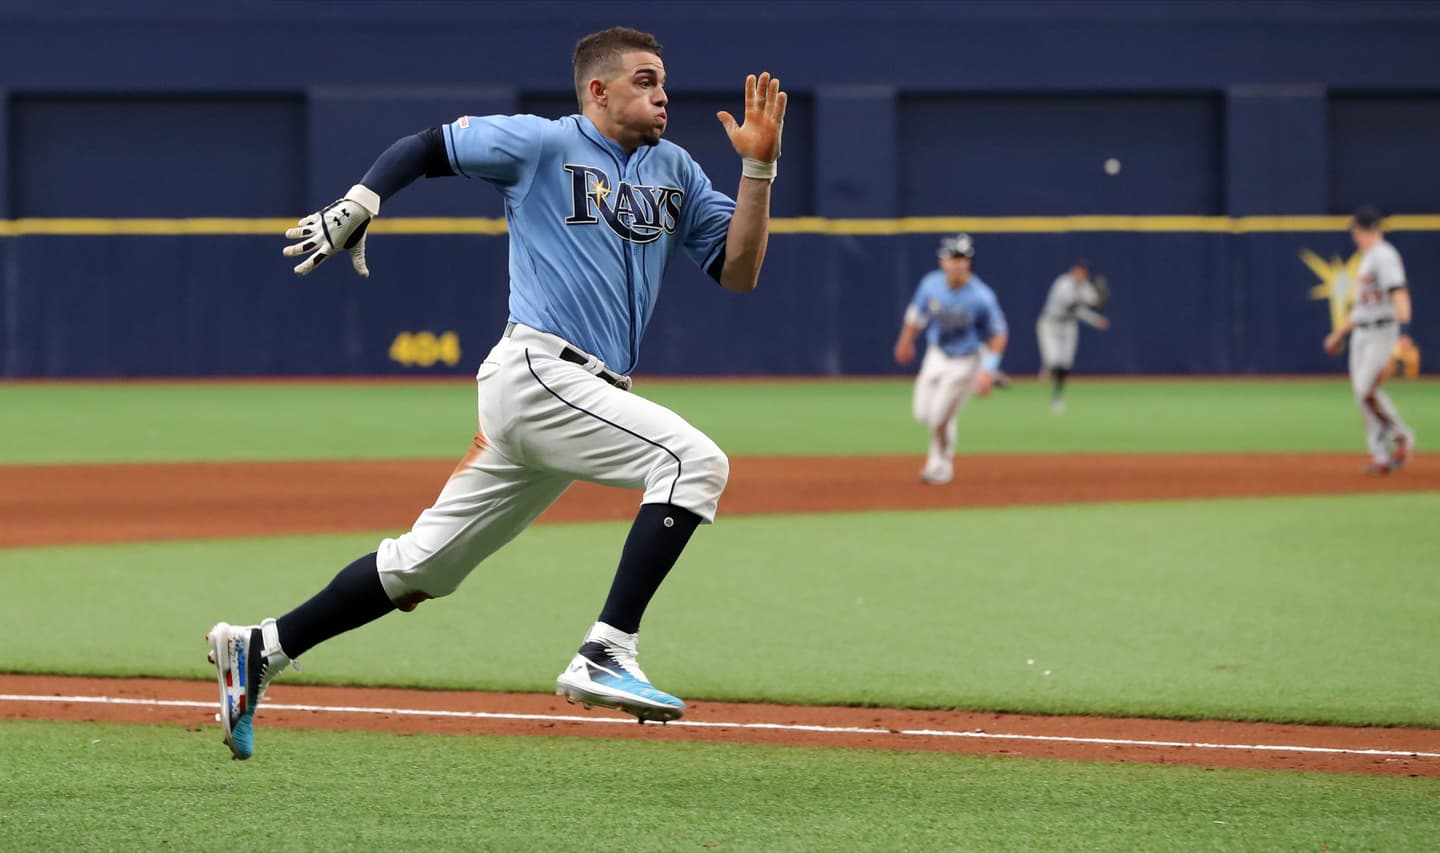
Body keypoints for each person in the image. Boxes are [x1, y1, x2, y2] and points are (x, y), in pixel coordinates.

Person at [204, 26, 788, 760]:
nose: (662, 93)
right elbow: (429, 144)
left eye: (663, 81)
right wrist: (363, 199)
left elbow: (739, 269)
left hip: (578, 394)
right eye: (644, 80)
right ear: (597, 91)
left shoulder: (675, 169)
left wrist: (759, 170)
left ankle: (260, 647)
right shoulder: (541, 144)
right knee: (693, 461)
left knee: (422, 567)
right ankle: (607, 648)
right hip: (542, 371)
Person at [892, 233, 1008, 485]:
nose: (957, 263)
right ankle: (946, 421)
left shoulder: (981, 296)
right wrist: (905, 341)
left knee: (938, 418)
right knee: (923, 414)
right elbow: (915, 315)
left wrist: (988, 370)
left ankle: (940, 465)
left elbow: (999, 334)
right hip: (935, 355)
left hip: (966, 361)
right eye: (952, 257)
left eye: (962, 258)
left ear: (969, 262)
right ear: (942, 261)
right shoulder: (930, 285)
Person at [1324, 205, 1417, 474]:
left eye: (1355, 230)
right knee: (1361, 395)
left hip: (1381, 332)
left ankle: (1402, 436)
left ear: (1361, 230)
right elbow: (1362, 307)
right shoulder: (1366, 258)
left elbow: (1400, 295)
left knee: (1366, 391)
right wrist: (1339, 333)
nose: (1354, 235)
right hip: (1362, 332)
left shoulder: (1384, 256)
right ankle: (1380, 456)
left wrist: (1405, 335)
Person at [1036, 259, 1109, 414]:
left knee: (1065, 363)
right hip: (1050, 324)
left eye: (1084, 272)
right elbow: (1070, 305)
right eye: (1079, 271)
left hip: (1068, 326)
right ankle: (1048, 367)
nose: (1081, 274)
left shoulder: (1085, 287)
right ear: (1073, 271)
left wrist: (1097, 316)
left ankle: (1057, 397)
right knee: (1054, 360)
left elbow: (1088, 307)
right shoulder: (1063, 283)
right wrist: (1089, 301)